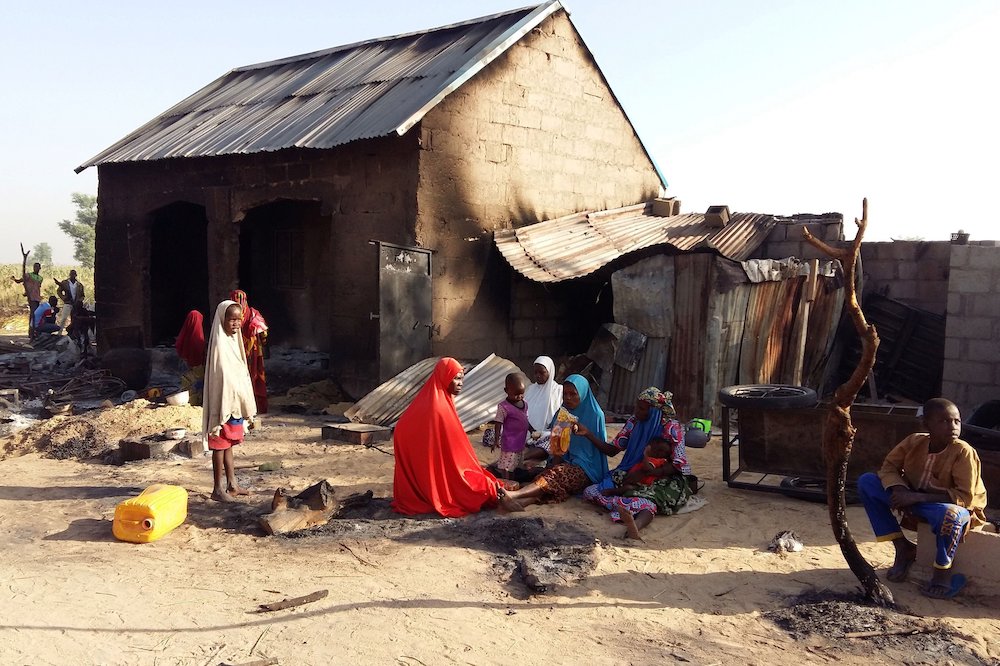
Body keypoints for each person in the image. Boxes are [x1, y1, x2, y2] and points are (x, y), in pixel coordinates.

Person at [857, 397, 988, 599]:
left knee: (951, 514)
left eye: (956, 421)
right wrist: (900, 490)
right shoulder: (914, 441)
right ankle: (903, 548)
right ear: (926, 424)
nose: (952, 426)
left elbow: (965, 497)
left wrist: (915, 497)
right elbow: (889, 467)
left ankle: (942, 571)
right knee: (867, 482)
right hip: (914, 500)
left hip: (949, 508)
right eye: (943, 421)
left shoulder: (964, 452)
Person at [392, 357, 523, 517]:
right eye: (456, 378)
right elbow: (454, 451)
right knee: (477, 488)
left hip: (434, 468)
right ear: (444, 377)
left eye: (461, 378)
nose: (460, 383)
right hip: (442, 470)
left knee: (482, 481)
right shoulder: (439, 408)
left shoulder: (436, 400)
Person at [582, 387, 692, 538]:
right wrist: (588, 434)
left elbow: (679, 464)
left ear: (653, 411)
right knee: (590, 492)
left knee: (650, 502)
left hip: (662, 477)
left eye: (641, 409)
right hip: (632, 471)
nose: (636, 412)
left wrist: (648, 472)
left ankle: (636, 525)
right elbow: (613, 450)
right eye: (636, 407)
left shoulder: (672, 428)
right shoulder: (633, 423)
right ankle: (625, 505)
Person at [503, 375, 615, 507]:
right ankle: (525, 501)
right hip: (565, 462)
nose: (568, 398)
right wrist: (554, 462)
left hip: (587, 470)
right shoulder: (562, 412)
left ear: (583, 394)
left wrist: (587, 434)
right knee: (546, 475)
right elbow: (557, 448)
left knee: (558, 475)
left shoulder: (595, 415)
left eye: (573, 394)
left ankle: (515, 495)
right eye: (565, 394)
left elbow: (605, 450)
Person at [202, 300, 258, 502]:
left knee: (229, 444)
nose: (235, 323)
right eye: (231, 319)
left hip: (234, 405)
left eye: (238, 319)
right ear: (222, 320)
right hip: (223, 405)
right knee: (219, 445)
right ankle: (217, 489)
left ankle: (232, 484)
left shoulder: (235, 342)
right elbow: (222, 378)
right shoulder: (219, 345)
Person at [229, 289, 269, 413]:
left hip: (234, 352)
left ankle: (238, 407)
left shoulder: (229, 314)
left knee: (236, 379)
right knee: (253, 377)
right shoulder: (253, 314)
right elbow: (264, 334)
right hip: (253, 353)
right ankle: (254, 406)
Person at [491, 372, 530, 480]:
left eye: (522, 393)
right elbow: (498, 423)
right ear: (506, 391)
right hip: (510, 442)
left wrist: (532, 429)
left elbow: (525, 419)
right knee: (507, 466)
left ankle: (513, 480)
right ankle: (506, 482)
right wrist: (496, 439)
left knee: (516, 464)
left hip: (520, 441)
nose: (519, 396)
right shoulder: (504, 407)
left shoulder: (524, 404)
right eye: (516, 394)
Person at [523, 355, 563, 454]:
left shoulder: (558, 391)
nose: (538, 375)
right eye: (535, 372)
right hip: (527, 430)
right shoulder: (531, 389)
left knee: (553, 440)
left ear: (550, 371)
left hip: (547, 432)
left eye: (542, 372)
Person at [175, 310, 206, 405]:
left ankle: (188, 400)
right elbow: (199, 352)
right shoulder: (198, 335)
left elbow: (178, 346)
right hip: (197, 367)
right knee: (197, 386)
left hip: (185, 366)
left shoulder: (184, 334)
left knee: (187, 386)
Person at [11, 262, 42, 339]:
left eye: (38, 267)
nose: (36, 268)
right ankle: (31, 332)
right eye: (35, 267)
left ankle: (34, 331)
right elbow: (21, 281)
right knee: (33, 314)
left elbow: (37, 288)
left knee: (36, 315)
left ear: (40, 268)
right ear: (33, 267)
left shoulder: (40, 278)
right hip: (31, 298)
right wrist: (15, 279)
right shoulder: (28, 275)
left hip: (37, 298)